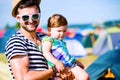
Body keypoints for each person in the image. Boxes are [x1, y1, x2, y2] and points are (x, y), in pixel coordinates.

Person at [5, 0, 74, 80]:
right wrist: (55, 70)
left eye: (35, 16)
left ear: (40, 15)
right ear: (18, 18)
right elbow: (23, 78)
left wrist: (69, 70)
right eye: (25, 17)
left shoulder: (45, 38)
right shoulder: (16, 42)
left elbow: (61, 58)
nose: (31, 21)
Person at [41, 14, 89, 80]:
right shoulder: (48, 40)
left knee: (85, 76)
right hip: (56, 68)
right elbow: (46, 52)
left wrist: (75, 61)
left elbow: (66, 56)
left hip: (69, 64)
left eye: (64, 31)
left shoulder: (62, 42)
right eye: (59, 31)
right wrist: (56, 62)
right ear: (49, 30)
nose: (62, 33)